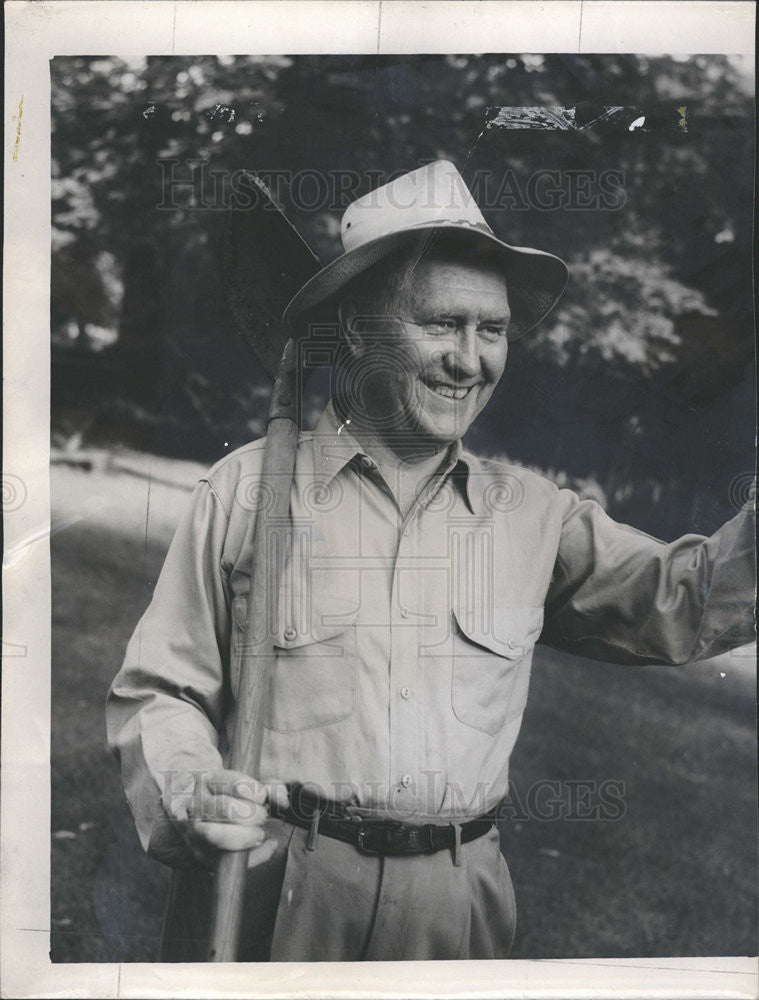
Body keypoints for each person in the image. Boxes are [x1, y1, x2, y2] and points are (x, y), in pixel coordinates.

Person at [106, 160, 755, 962]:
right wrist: (189, 784)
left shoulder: (537, 516)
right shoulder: (248, 488)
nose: (469, 358)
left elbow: (685, 603)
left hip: (458, 907)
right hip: (276, 889)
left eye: (491, 331)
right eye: (441, 324)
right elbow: (159, 691)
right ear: (355, 330)